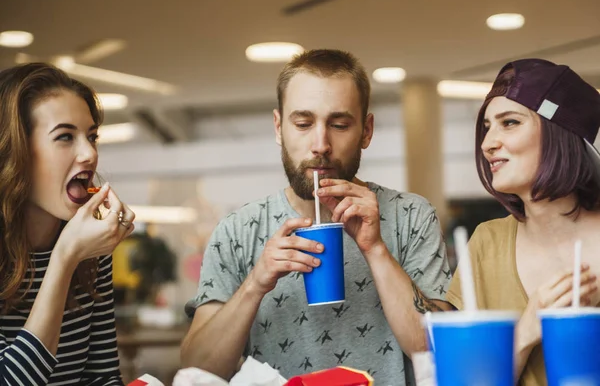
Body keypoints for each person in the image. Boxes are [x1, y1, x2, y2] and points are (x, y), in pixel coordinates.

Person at [181, 49, 452, 385]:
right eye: (303, 123)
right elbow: (196, 371)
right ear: (279, 128)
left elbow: (442, 353)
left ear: (366, 131)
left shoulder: (412, 216)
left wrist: (376, 250)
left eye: (339, 124)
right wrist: (255, 283)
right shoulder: (237, 231)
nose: (320, 144)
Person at [446, 58, 600, 385]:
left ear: (562, 131)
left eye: (510, 122)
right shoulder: (486, 244)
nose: (488, 144)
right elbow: (466, 380)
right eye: (487, 127)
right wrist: (527, 329)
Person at [0, 63, 136, 385]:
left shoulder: (91, 247)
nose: (89, 154)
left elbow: (101, 376)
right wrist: (64, 259)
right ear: (13, 151)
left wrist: (75, 252)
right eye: (64, 137)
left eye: (92, 137)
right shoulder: (77, 247)